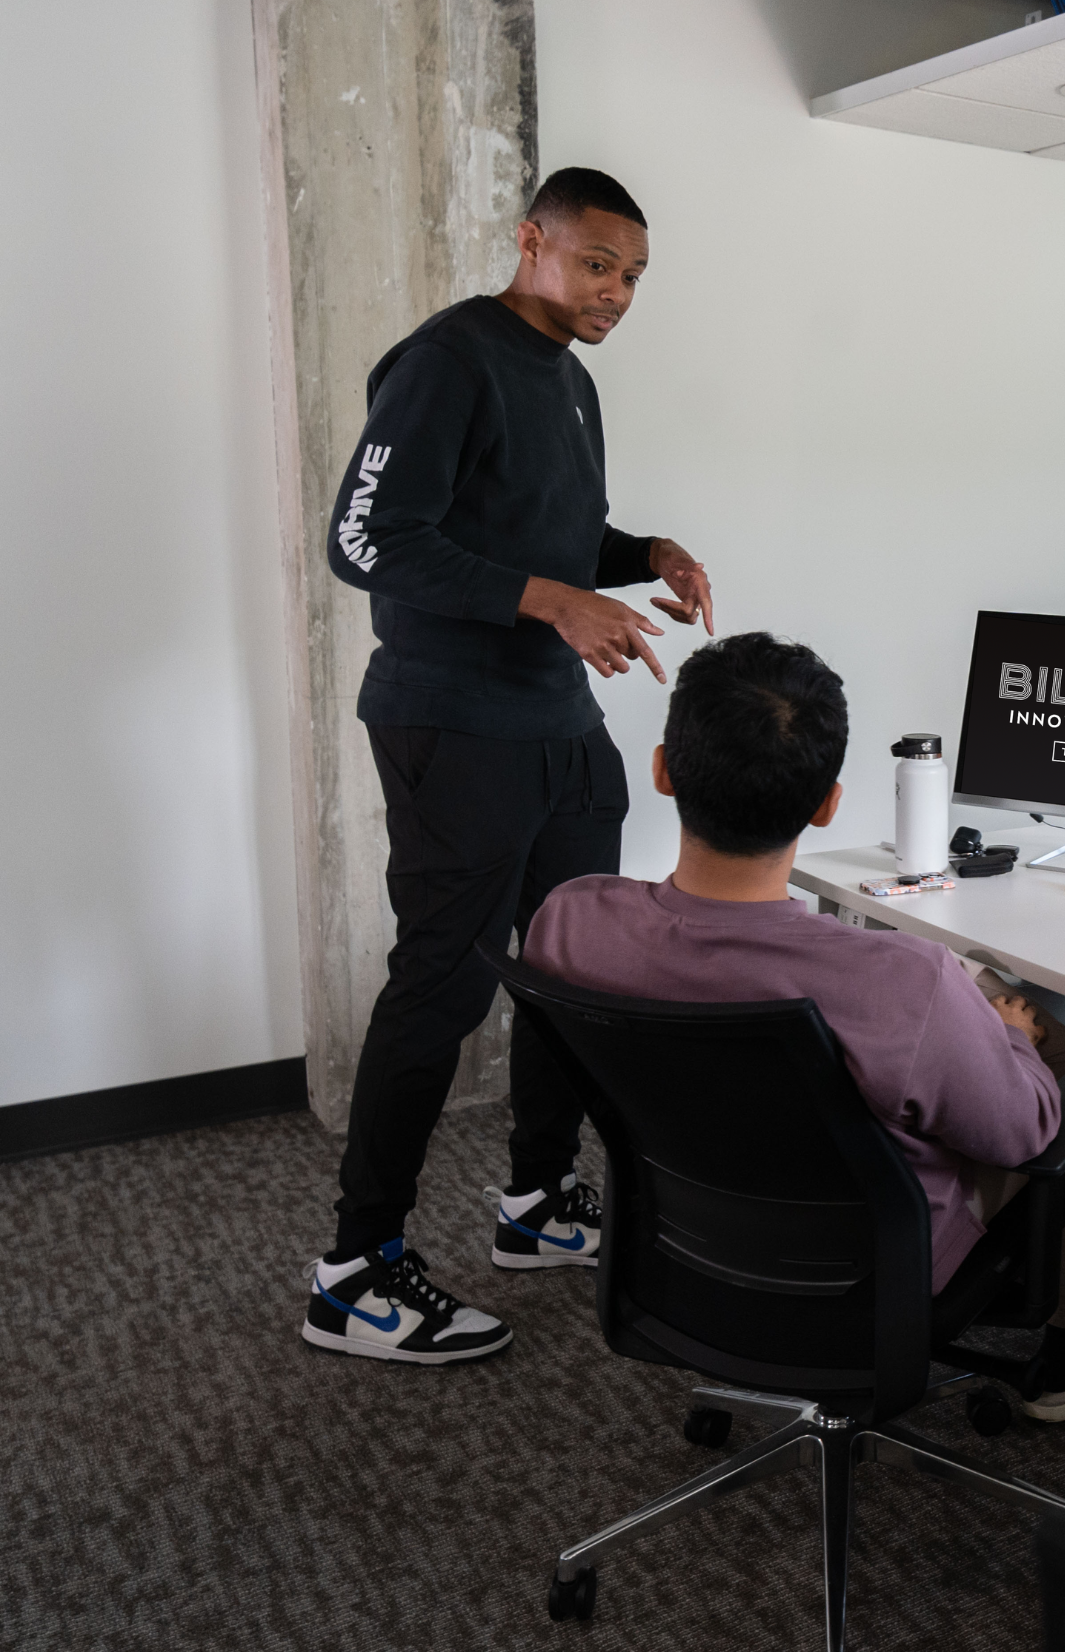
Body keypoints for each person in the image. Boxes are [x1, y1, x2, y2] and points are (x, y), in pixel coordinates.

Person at [520, 633, 1065, 1421]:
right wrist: (1014, 1040)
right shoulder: (900, 982)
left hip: (682, 1244)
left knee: (964, 992)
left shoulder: (569, 921)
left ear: (661, 770)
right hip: (878, 1270)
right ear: (828, 802)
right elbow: (1026, 1134)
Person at [302, 168, 718, 1367]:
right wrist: (550, 600)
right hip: (452, 721)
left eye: (633, 275)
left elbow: (536, 531)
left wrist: (642, 552)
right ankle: (353, 1271)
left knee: (566, 960)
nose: (617, 293)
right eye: (597, 264)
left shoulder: (571, 382)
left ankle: (538, 1202)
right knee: (443, 982)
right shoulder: (446, 360)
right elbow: (368, 538)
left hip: (553, 721)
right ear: (531, 242)